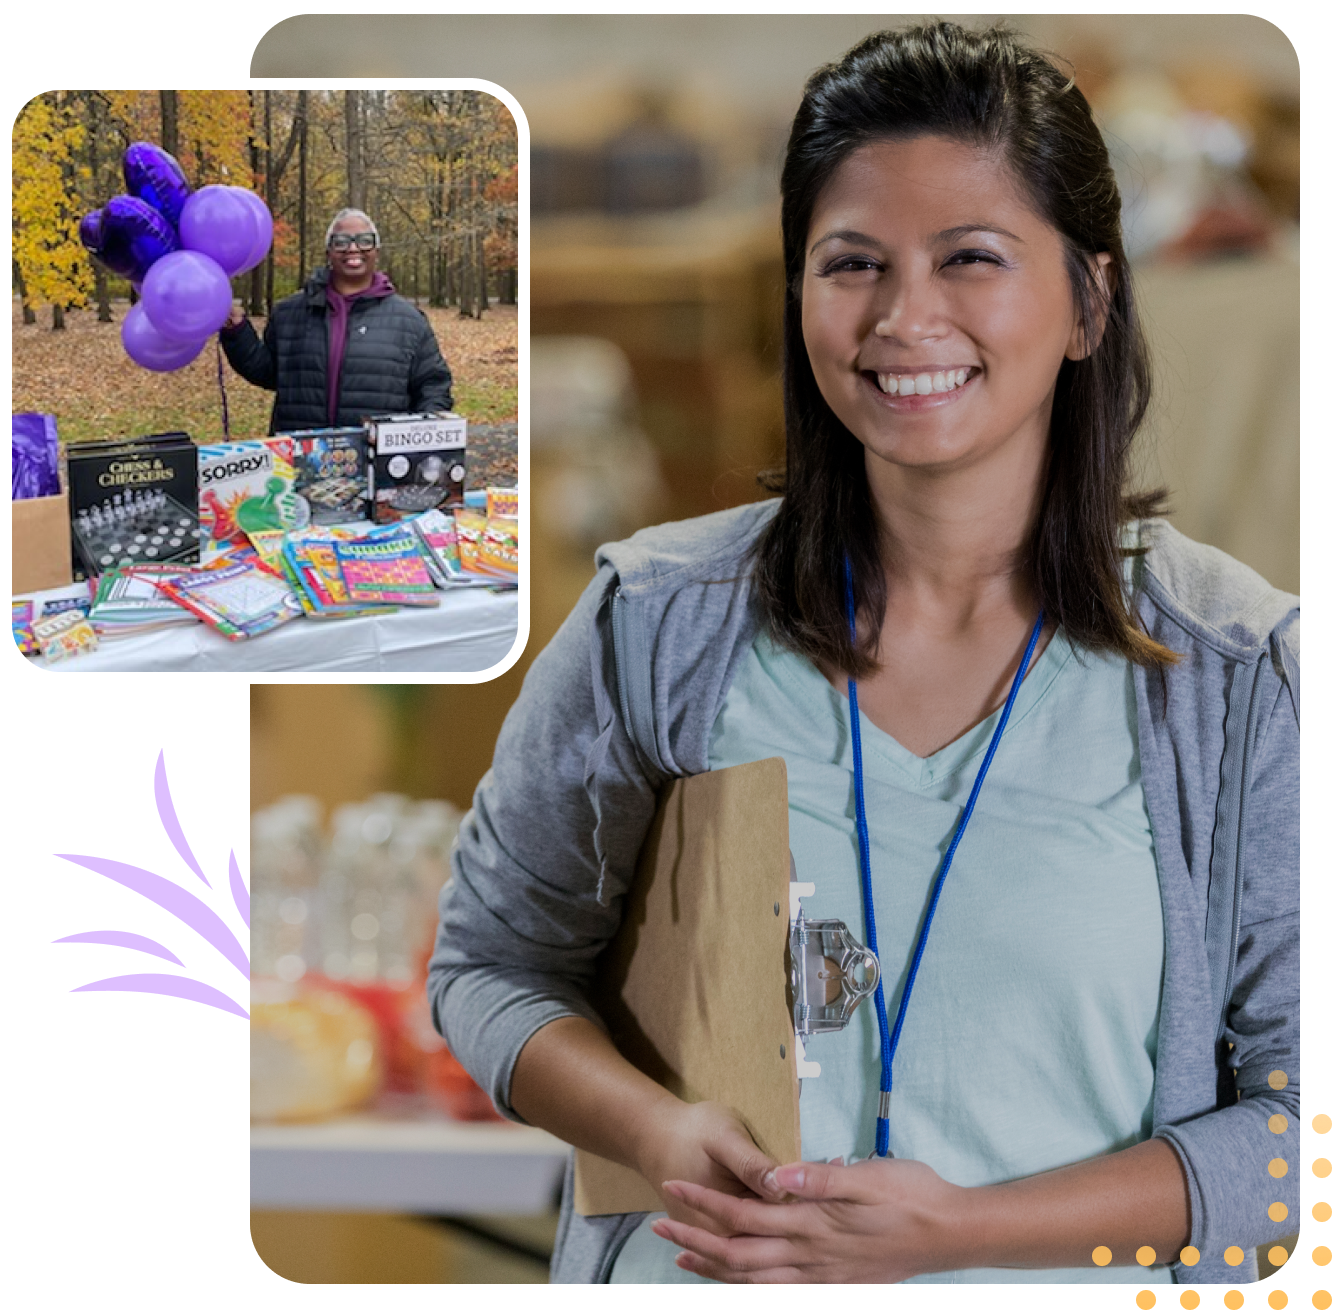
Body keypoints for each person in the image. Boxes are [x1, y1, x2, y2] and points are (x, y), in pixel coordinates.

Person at [428, 23, 1305, 1285]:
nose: (905, 316)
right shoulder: (661, 618)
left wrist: (962, 1231)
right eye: (853, 264)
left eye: (972, 259)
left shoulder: (1241, 668)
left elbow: (1308, 1141)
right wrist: (654, 1127)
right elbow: (491, 966)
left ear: (1090, 300)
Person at [219, 208, 453, 431]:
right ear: (328, 252)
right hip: (301, 460)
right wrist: (238, 332)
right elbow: (269, 373)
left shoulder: (409, 321)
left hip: (377, 463)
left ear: (376, 251)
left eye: (364, 240)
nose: (353, 248)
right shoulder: (288, 313)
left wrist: (420, 437)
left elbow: (433, 386)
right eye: (341, 241)